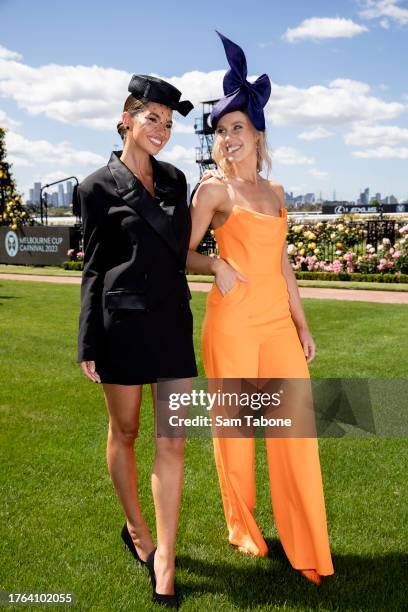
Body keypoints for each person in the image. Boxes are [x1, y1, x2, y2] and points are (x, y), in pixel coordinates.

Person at [187, 32, 334, 585]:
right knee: (237, 433)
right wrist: (213, 265)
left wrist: (302, 323)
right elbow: (184, 252)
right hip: (231, 325)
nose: (227, 139)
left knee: (295, 432)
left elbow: (282, 265)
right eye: (221, 131)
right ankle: (243, 527)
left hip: (275, 323)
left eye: (237, 130)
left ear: (257, 135)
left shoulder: (275, 192)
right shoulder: (211, 192)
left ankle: (306, 545)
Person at [77, 74, 197, 608]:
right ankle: (137, 530)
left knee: (173, 440)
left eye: (169, 124)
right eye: (153, 119)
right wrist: (88, 342)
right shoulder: (95, 186)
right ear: (127, 119)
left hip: (172, 324)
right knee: (123, 434)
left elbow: (185, 249)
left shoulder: (176, 181)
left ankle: (165, 559)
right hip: (120, 326)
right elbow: (94, 269)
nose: (163, 130)